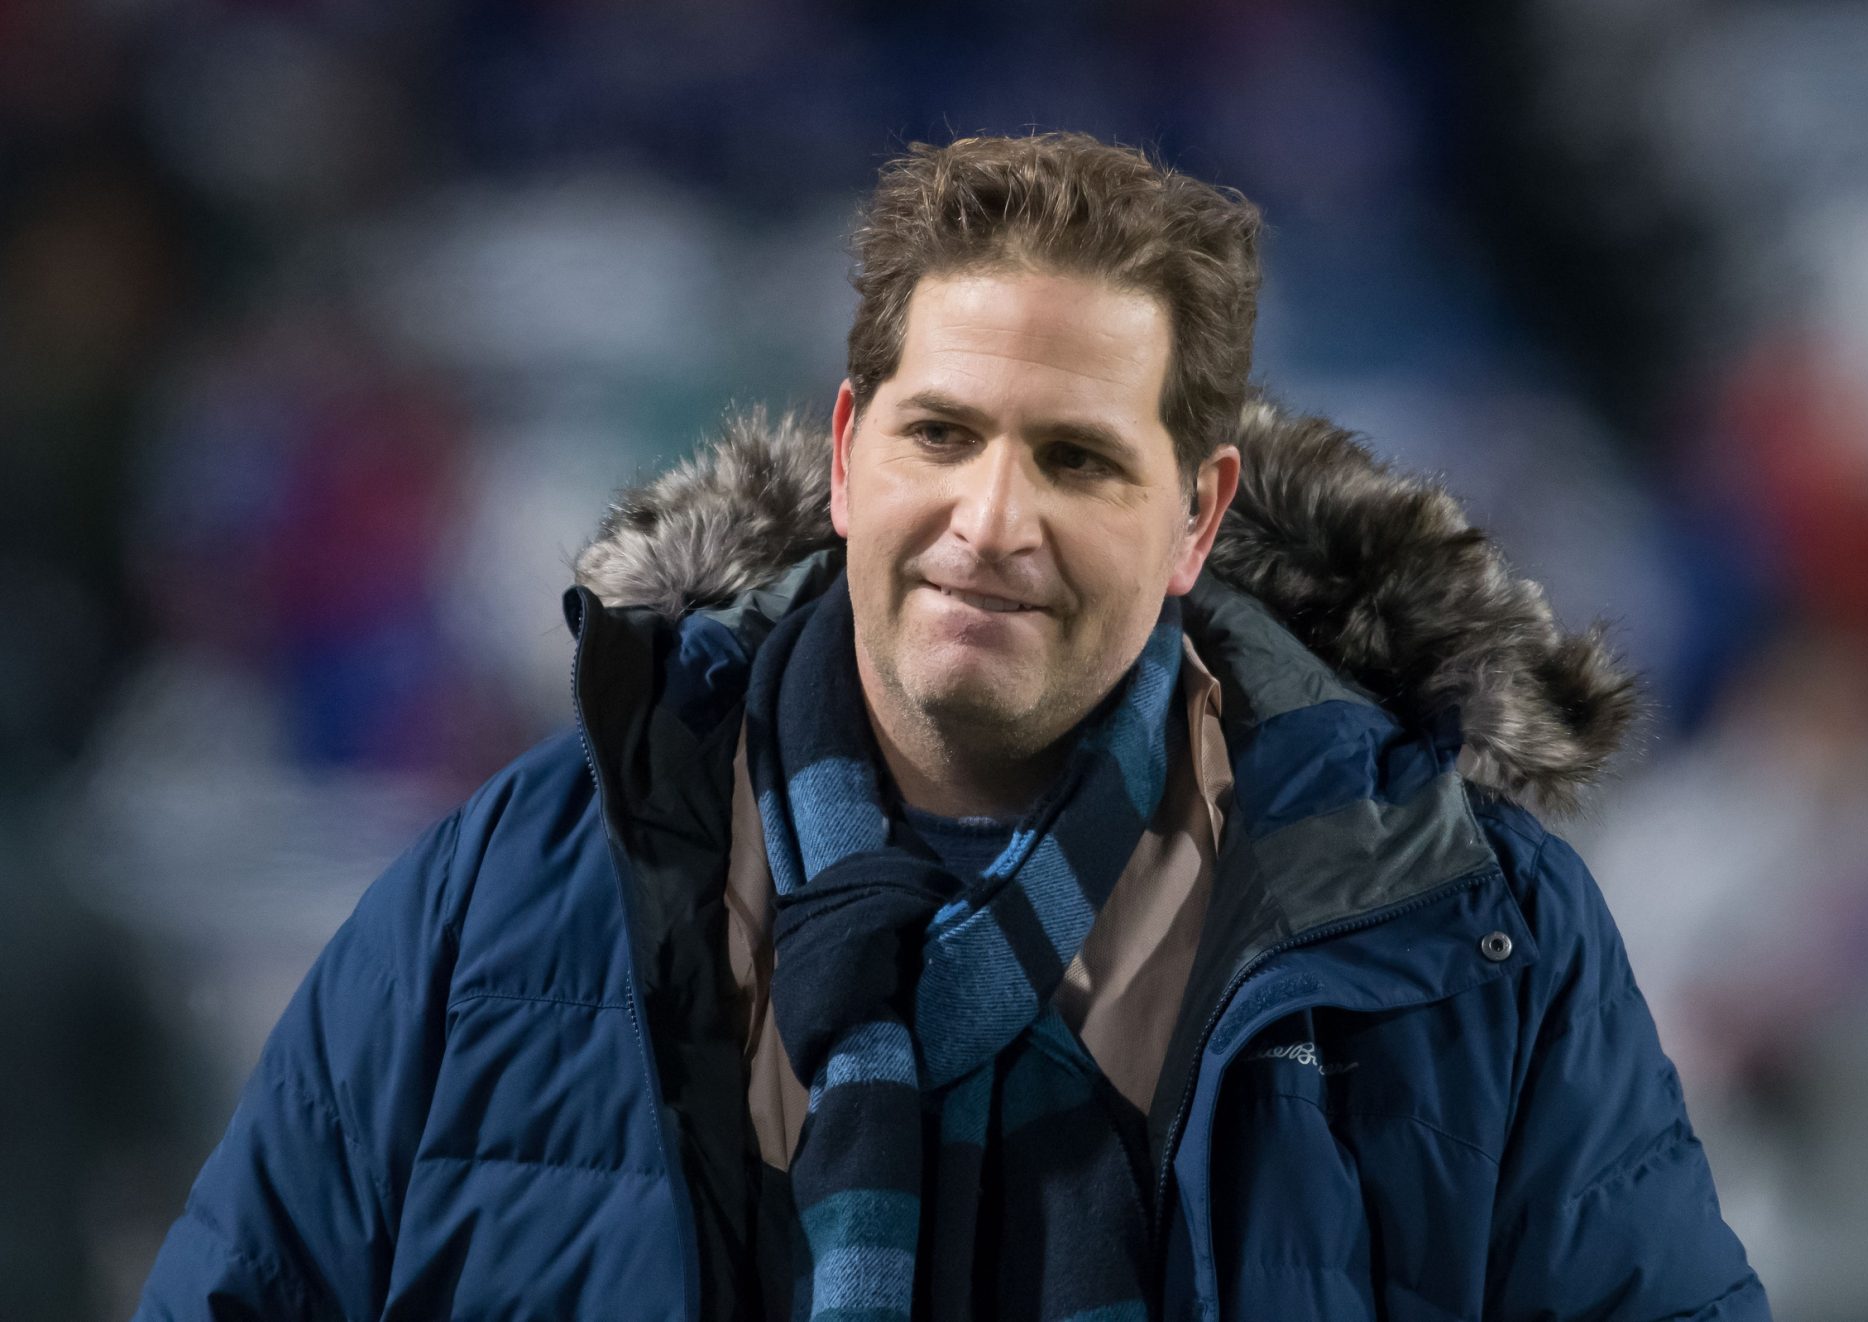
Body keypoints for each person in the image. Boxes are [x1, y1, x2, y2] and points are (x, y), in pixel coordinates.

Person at [137, 133, 1768, 1320]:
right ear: (847, 454)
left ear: (1197, 520)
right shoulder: (505, 895)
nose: (990, 519)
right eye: (943, 432)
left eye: (1076, 457)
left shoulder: (1473, 942)